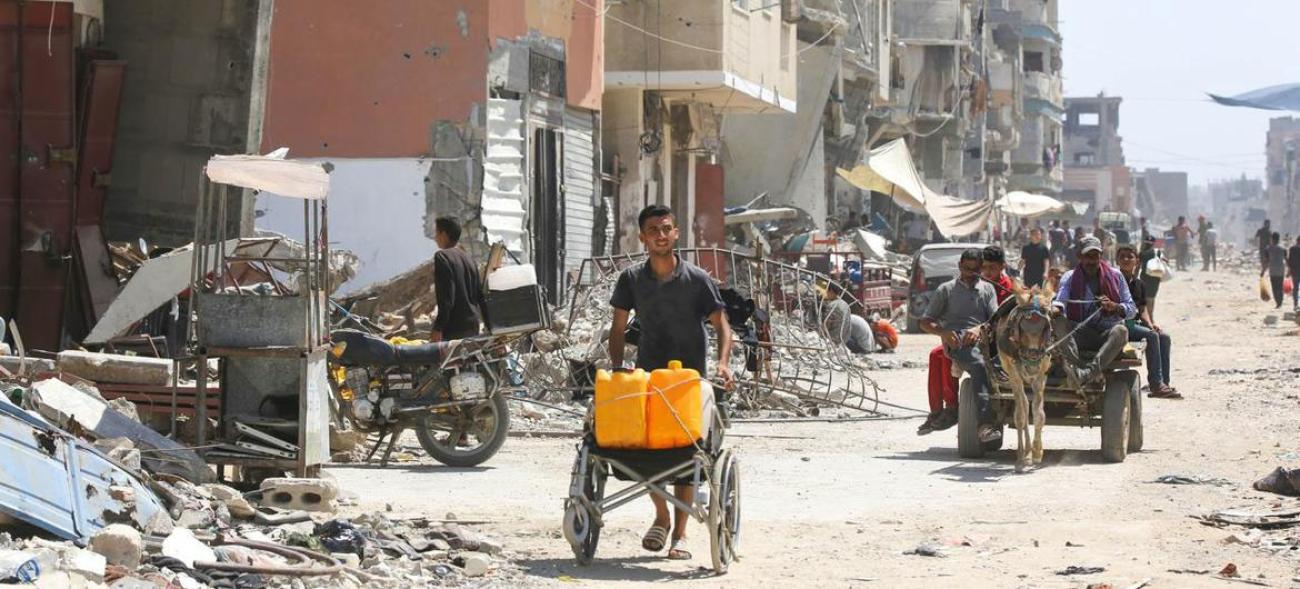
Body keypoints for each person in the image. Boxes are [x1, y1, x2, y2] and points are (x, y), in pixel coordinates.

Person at [608, 204, 734, 561]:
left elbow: (722, 325)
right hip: (647, 376)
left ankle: (679, 534)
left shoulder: (697, 280)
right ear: (643, 238)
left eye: (666, 228)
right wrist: (617, 369)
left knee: (686, 453)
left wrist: (723, 364)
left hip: (690, 379)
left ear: (676, 233)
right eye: (653, 230)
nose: (661, 235)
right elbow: (617, 329)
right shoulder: (631, 280)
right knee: (647, 451)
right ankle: (661, 516)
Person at [918, 249, 1000, 442]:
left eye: (975, 269)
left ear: (981, 268)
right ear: (960, 266)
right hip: (958, 342)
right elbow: (925, 321)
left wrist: (979, 328)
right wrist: (944, 333)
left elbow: (995, 319)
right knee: (979, 366)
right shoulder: (946, 290)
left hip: (984, 339)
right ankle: (984, 425)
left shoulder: (987, 289)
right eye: (966, 268)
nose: (970, 273)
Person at [1052, 236, 1136, 388]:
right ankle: (1077, 368)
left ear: (1101, 256)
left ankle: (1087, 373)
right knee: (1059, 323)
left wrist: (1115, 307)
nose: (1092, 261)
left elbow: (1131, 310)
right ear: (1079, 257)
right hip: (1081, 333)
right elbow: (1060, 301)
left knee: (1121, 330)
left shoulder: (1116, 276)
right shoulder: (1070, 277)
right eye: (1087, 256)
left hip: (1107, 333)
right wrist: (1054, 309)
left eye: (1095, 256)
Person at [1116, 245, 1179, 399]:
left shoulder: (1139, 284)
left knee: (1163, 337)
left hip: (1134, 325)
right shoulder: (1114, 281)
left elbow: (1142, 309)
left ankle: (1164, 382)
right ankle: (1156, 384)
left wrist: (1151, 324)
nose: (1126, 259)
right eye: (1122, 256)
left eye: (1129, 257)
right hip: (1119, 325)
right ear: (1117, 260)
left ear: (1137, 261)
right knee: (1152, 336)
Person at [431, 217, 485, 342]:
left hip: (455, 328)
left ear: (443, 234)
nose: (435, 237)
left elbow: (447, 297)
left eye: (436, 233)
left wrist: (438, 328)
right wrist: (490, 327)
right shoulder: (469, 259)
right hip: (473, 327)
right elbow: (480, 296)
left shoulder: (442, 257)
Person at [1138, 235, 1164, 322]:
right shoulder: (1158, 252)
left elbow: (1138, 267)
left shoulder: (1142, 253)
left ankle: (1148, 318)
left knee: (1144, 298)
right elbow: (1163, 261)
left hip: (1145, 278)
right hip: (1155, 278)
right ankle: (1151, 317)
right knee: (1151, 298)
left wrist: (1133, 278)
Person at [1261, 231, 1288, 309]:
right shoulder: (1283, 249)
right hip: (1281, 270)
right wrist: (1290, 270)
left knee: (1274, 287)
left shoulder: (1268, 249)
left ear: (1272, 239)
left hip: (1273, 271)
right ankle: (1280, 302)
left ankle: (1278, 302)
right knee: (1280, 286)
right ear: (1278, 239)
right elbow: (1286, 260)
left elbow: (1266, 262)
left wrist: (1263, 271)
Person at [1289, 236, 1300, 311]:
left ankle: (1295, 304)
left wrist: (1289, 271)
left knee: (1295, 289)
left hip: (1295, 272)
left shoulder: (1292, 249)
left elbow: (1290, 261)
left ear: (1297, 241)